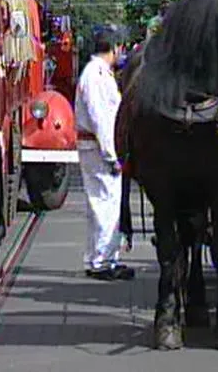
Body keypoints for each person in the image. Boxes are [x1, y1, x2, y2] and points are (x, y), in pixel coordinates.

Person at [75, 30, 134, 280]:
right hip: (100, 148)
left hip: (97, 146)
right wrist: (111, 154)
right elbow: (102, 119)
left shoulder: (96, 73)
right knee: (105, 203)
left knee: (103, 203)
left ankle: (103, 257)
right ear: (115, 48)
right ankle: (101, 260)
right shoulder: (97, 75)